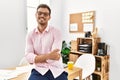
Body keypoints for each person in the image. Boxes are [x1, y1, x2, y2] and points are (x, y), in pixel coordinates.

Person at [25, 4, 68, 80]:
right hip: (39, 71)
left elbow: (55, 56)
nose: (42, 16)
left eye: (45, 14)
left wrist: (36, 58)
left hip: (56, 70)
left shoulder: (56, 32)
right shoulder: (30, 35)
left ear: (49, 17)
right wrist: (48, 56)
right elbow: (28, 57)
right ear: (36, 15)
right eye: (40, 13)